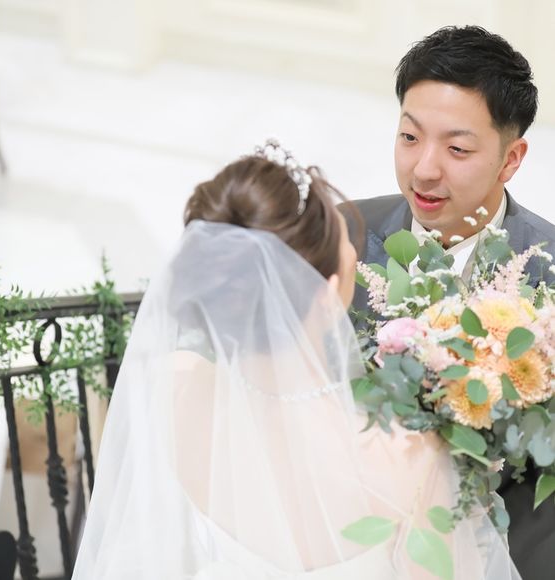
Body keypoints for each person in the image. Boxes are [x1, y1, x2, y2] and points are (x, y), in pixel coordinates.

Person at [72, 140, 519, 579]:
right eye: (347, 247)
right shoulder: (407, 454)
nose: (354, 253)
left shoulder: (175, 382)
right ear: (326, 297)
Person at [343, 26, 555, 579]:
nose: (424, 169)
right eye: (409, 137)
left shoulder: (549, 269)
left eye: (457, 149)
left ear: (511, 159)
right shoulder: (341, 236)